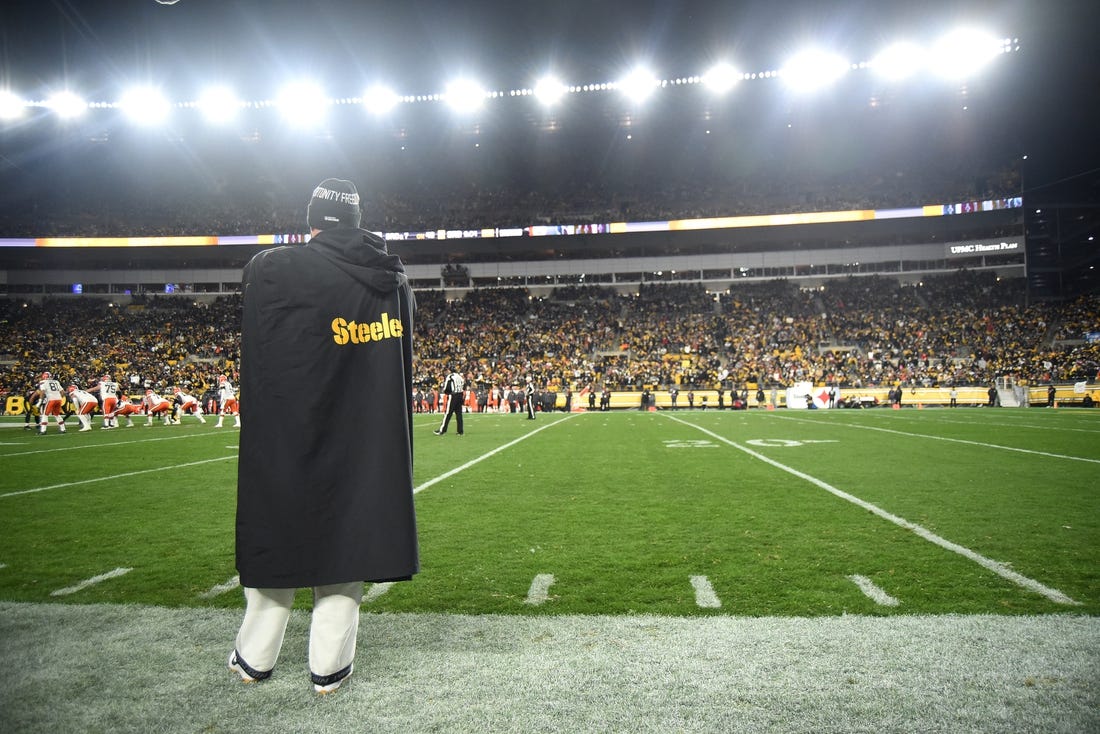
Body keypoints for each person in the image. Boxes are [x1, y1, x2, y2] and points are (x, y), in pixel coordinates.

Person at [231, 178, 418, 695]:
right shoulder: (394, 279)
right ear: (358, 222)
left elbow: (255, 278)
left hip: (292, 431)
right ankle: (328, 668)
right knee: (347, 546)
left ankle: (254, 657)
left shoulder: (276, 269)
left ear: (311, 220)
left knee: (277, 535)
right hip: (363, 437)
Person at [434, 368, 465, 435]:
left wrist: (447, 392)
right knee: (459, 414)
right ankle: (460, 431)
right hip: (460, 395)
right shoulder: (460, 377)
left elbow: (447, 387)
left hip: (453, 396)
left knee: (448, 413)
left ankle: (442, 430)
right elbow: (463, 385)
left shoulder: (450, 376)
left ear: (450, 371)